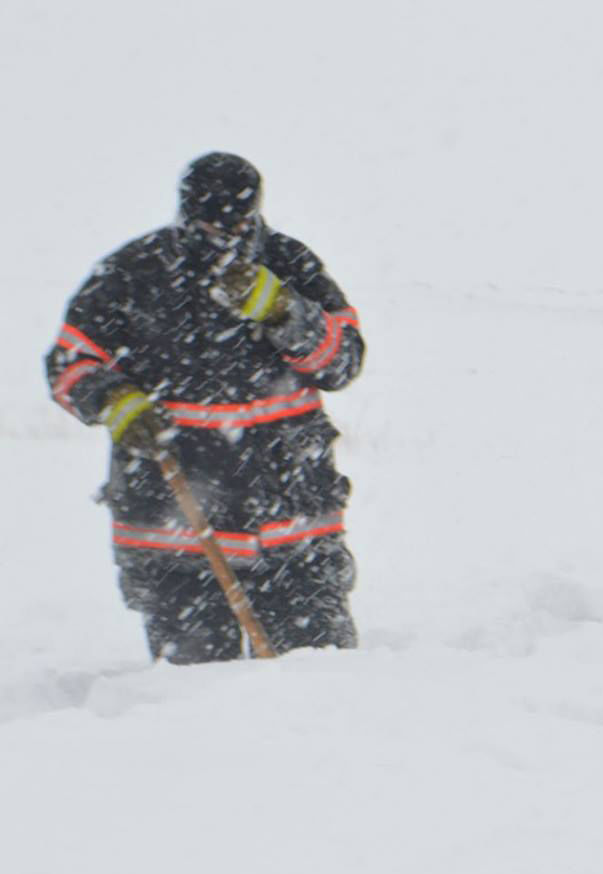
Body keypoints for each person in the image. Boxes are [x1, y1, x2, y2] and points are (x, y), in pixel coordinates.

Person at [44, 152, 366, 662]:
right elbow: (70, 362)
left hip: (294, 534)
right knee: (195, 700)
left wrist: (284, 311)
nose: (222, 233)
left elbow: (342, 362)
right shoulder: (134, 272)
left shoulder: (288, 264)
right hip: (177, 537)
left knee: (321, 689)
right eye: (208, 221)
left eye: (234, 220)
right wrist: (114, 400)